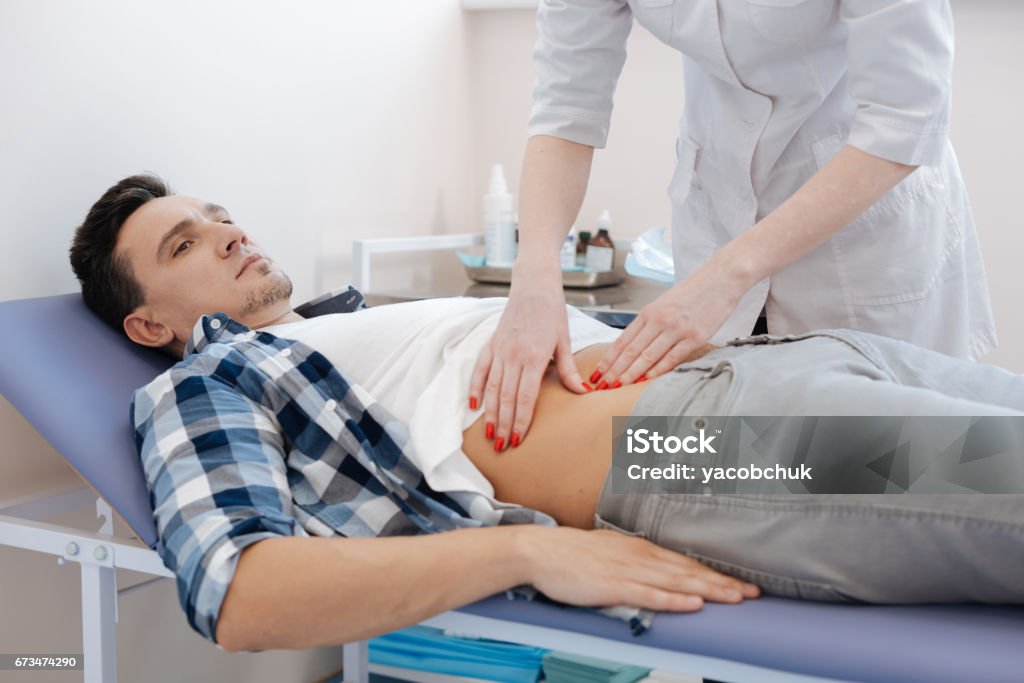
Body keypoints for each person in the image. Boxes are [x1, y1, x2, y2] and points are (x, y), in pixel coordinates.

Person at [69, 175, 1024, 654]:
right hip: (699, 449)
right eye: (185, 242)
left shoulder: (350, 328)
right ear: (148, 319)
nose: (230, 231)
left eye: (219, 213)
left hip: (798, 359)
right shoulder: (207, 384)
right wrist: (527, 553)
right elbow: (240, 590)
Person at [474, 0, 999, 454]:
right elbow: (566, 109)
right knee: (769, 469)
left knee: (910, 465)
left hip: (860, 230)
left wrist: (726, 277)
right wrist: (535, 272)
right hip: (718, 210)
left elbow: (904, 119)